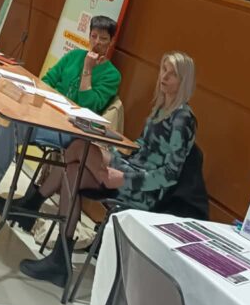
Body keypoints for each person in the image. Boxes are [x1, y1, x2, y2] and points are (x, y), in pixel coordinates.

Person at [17, 51, 197, 288]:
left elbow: (170, 175)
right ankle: (59, 259)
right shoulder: (160, 108)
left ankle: (32, 207)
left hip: (144, 190)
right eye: (164, 69)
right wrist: (112, 144)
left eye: (172, 74)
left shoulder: (183, 118)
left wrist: (123, 178)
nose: (164, 77)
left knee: (79, 149)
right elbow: (141, 150)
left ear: (183, 81)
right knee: (74, 166)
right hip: (130, 168)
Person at [0, 17, 121, 207]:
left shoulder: (112, 75)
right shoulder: (74, 55)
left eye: (103, 38)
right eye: (93, 36)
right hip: (46, 117)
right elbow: (47, 81)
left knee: (11, 127)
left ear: (111, 41)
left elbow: (88, 106)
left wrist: (87, 69)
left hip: (70, 131)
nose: (97, 42)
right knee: (11, 122)